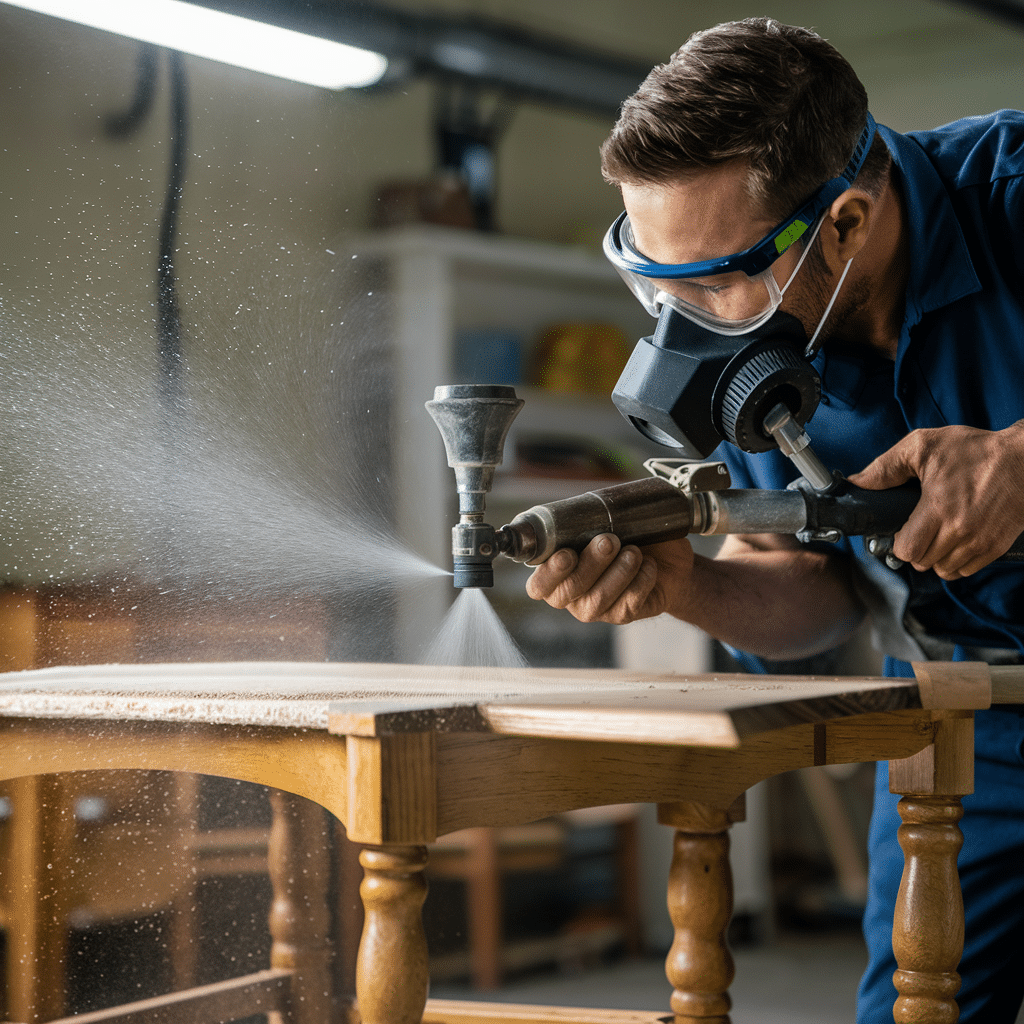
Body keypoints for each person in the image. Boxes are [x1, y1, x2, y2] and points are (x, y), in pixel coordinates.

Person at [525, 18, 1024, 1024]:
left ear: (841, 224)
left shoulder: (1011, 194)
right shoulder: (762, 354)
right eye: (656, 281)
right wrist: (691, 584)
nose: (688, 324)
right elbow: (819, 591)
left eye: (715, 279)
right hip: (971, 716)